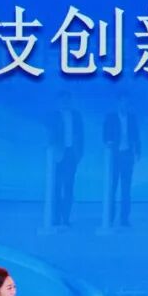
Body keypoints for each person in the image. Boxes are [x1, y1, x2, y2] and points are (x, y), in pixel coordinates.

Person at [103, 92, 141, 227]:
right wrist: (108, 142)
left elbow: (137, 137)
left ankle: (124, 218)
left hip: (127, 156)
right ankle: (109, 217)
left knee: (126, 189)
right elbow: (105, 135)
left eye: (126, 102)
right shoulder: (110, 118)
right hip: (114, 157)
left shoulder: (132, 118)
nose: (124, 105)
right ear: (118, 103)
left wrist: (138, 152)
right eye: (122, 102)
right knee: (112, 187)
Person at [47, 91, 83, 226]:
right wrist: (51, 148)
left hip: (71, 154)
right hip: (57, 154)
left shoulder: (76, 116)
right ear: (58, 101)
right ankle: (56, 218)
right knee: (56, 187)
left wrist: (79, 154)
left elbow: (81, 136)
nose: (65, 102)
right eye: (63, 100)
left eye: (67, 100)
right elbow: (49, 133)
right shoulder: (53, 116)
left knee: (69, 186)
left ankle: (66, 218)